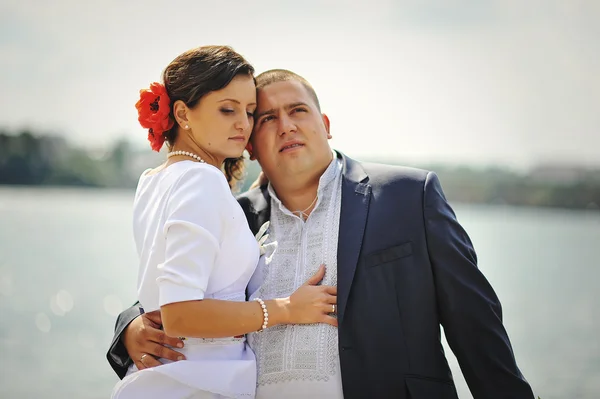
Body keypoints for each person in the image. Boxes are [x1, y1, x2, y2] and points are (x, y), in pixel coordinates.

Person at [108, 68, 536, 399]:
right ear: (250, 144)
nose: (286, 125)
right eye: (268, 118)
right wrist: (129, 329)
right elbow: (175, 292)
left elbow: (478, 330)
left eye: (298, 111)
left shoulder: (409, 196)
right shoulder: (235, 214)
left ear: (325, 123)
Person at [111, 49, 337, 399]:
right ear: (183, 113)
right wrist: (285, 309)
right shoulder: (202, 181)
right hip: (197, 383)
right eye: (227, 109)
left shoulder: (153, 180)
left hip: (174, 378)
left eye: (249, 112)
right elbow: (179, 314)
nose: (243, 125)